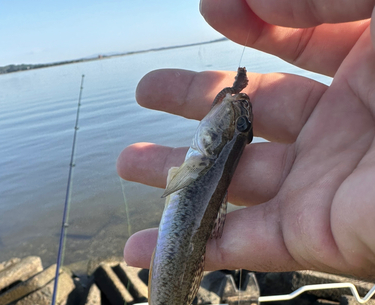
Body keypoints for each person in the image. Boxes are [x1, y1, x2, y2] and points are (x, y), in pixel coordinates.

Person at [117, 0, 375, 281]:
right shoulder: (210, 149)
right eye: (243, 126)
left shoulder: (206, 154)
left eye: (241, 126)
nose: (238, 114)